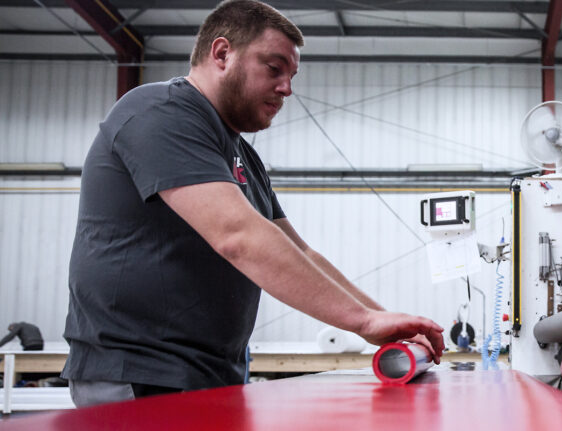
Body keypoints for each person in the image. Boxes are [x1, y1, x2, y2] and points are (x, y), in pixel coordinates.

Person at [61, 0, 444, 408]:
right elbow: (237, 235)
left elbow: (300, 251)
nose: (287, 88)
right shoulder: (159, 112)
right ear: (222, 54)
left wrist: (381, 323)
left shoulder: (241, 155)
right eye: (274, 68)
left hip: (210, 373)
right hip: (141, 374)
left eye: (292, 74)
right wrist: (362, 320)